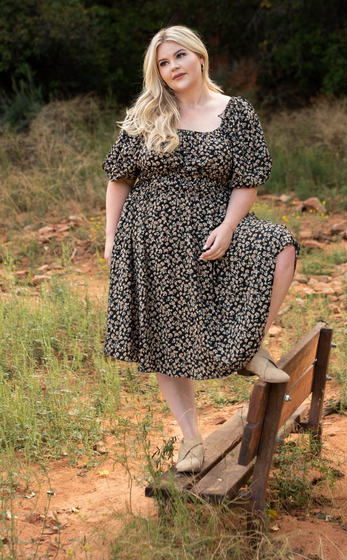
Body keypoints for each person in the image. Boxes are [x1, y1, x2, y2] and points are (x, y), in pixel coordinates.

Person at [102, 25, 300, 474]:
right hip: (149, 237)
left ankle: (250, 345)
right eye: (162, 63)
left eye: (178, 57)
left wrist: (230, 227)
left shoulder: (236, 113)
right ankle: (191, 439)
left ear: (199, 56)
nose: (172, 68)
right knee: (164, 339)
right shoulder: (149, 112)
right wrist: (112, 236)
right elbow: (118, 178)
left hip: (212, 227)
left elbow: (247, 179)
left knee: (280, 246)